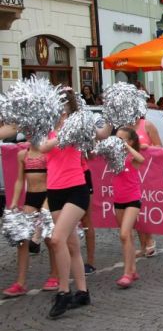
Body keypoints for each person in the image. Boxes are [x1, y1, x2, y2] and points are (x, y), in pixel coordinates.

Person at [39, 89, 91, 318]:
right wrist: (58, 134)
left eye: (62, 107)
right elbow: (41, 148)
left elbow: (99, 134)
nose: (59, 112)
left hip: (76, 189)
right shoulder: (46, 129)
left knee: (56, 239)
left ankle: (63, 292)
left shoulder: (78, 127)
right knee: (71, 245)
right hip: (55, 190)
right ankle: (83, 292)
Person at [3, 143, 59, 297]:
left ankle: (55, 275)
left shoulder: (48, 153)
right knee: (22, 239)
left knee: (49, 237)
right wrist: (14, 201)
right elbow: (20, 180)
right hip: (31, 198)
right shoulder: (22, 155)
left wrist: (49, 201)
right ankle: (20, 283)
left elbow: (54, 176)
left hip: (48, 195)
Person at [111, 127, 145, 288]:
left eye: (122, 139)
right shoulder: (114, 155)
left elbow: (141, 159)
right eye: (116, 138)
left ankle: (127, 273)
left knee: (124, 234)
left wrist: (127, 147)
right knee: (127, 237)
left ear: (130, 141)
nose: (118, 141)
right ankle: (133, 269)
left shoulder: (132, 157)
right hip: (118, 200)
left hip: (133, 199)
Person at [134, 116, 162, 258]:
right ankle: (143, 244)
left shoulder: (147, 125)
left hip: (148, 173)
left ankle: (150, 239)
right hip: (131, 174)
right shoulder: (123, 128)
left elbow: (160, 147)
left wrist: (147, 148)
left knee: (145, 207)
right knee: (135, 209)